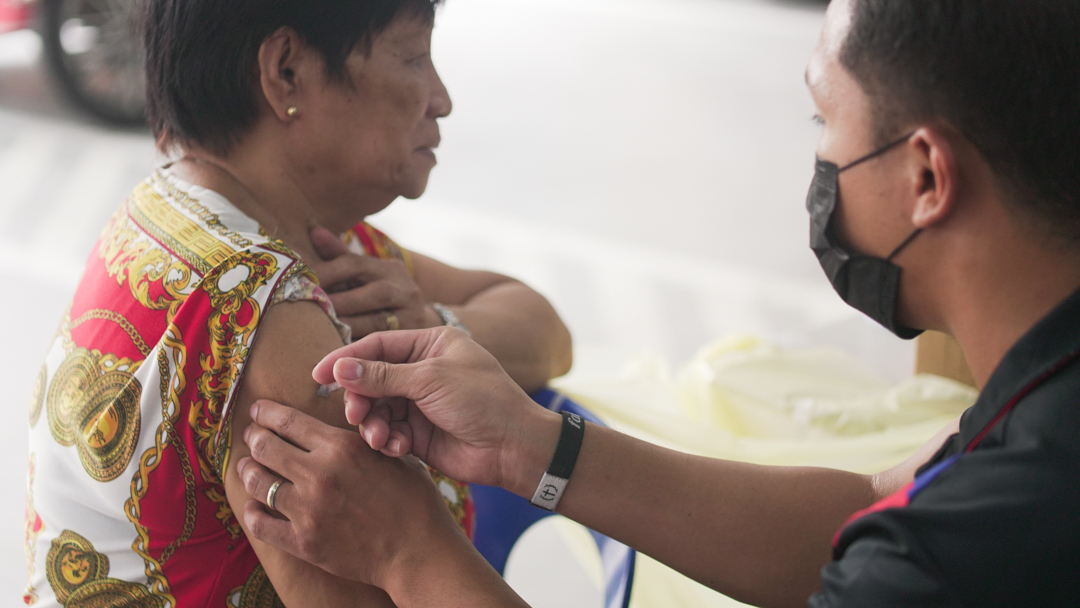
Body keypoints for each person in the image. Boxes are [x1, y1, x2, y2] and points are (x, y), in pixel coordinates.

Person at [235, 0, 1080, 606]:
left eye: (823, 119)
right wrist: (537, 450)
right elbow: (873, 506)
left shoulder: (982, 538)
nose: (818, 156)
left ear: (927, 176)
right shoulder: (1031, 410)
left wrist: (410, 555)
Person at [22, 0, 573, 606]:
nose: (440, 98)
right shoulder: (262, 312)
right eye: (414, 57)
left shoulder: (208, 215)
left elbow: (546, 329)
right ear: (286, 72)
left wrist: (432, 329)